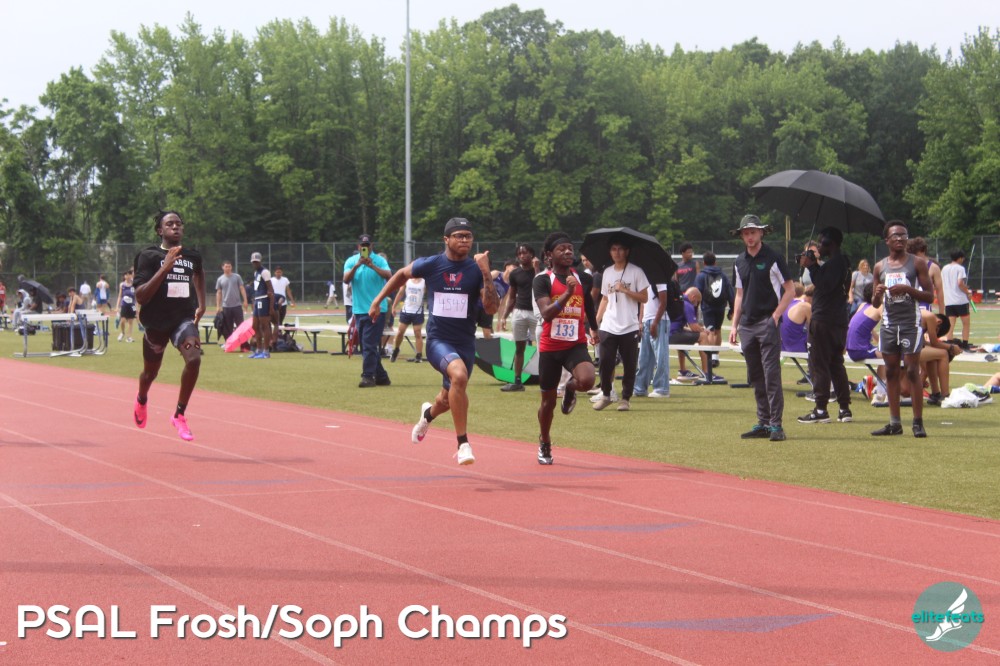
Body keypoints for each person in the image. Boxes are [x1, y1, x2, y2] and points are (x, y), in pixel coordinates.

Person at [372, 217, 499, 465]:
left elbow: (491, 308)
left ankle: (427, 415)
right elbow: (401, 274)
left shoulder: (476, 270)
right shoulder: (431, 264)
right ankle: (463, 444)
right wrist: (378, 300)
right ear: (446, 239)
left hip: (465, 343)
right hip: (438, 341)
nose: (464, 240)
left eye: (468, 236)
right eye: (459, 236)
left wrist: (486, 272)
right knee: (459, 376)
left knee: (446, 400)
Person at [131, 210, 206, 442]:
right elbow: (141, 296)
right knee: (149, 374)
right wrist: (165, 267)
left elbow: (199, 274)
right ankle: (142, 399)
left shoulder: (192, 256)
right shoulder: (148, 256)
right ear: (159, 230)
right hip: (155, 323)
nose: (175, 227)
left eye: (178, 224)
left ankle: (179, 415)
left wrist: (202, 303)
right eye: (170, 224)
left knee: (194, 359)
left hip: (182, 319)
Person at [728, 215, 795, 442]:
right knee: (755, 376)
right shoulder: (739, 261)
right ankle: (763, 422)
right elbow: (739, 295)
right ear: (741, 236)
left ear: (761, 233)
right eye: (746, 233)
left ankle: (776, 425)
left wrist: (776, 316)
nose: (749, 237)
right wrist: (734, 325)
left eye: (753, 232)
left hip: (767, 322)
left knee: (771, 375)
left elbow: (790, 290)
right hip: (746, 325)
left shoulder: (774, 257)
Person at [533, 232, 598, 464]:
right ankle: (545, 441)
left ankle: (570, 389)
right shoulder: (542, 280)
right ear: (550, 255)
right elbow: (546, 313)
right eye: (562, 249)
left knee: (587, 380)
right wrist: (568, 293)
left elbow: (588, 303)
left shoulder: (583, 278)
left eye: (570, 248)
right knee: (548, 403)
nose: (568, 251)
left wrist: (594, 328)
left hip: (575, 344)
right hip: (551, 347)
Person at [870, 220, 935, 438]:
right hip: (889, 324)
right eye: (895, 236)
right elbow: (875, 304)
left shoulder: (917, 263)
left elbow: (930, 296)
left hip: (910, 324)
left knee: (912, 370)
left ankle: (917, 422)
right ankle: (894, 423)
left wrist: (908, 289)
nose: (900, 239)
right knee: (890, 371)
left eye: (903, 235)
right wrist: (878, 294)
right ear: (887, 240)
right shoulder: (880, 267)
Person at [796, 227, 853, 425]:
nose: (819, 246)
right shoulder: (844, 263)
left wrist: (811, 266)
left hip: (823, 320)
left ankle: (821, 409)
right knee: (836, 364)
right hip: (838, 320)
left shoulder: (834, 264)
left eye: (821, 242)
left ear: (831, 243)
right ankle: (844, 408)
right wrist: (814, 265)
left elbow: (824, 284)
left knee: (819, 364)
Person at [592, 235, 649, 412]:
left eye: (620, 249)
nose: (617, 253)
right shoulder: (607, 272)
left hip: (629, 325)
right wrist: (595, 322)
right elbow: (604, 298)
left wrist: (625, 290)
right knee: (605, 361)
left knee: (629, 364)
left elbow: (644, 298)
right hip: (609, 325)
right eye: (613, 249)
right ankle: (606, 394)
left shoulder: (636, 271)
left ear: (627, 251)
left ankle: (625, 398)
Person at [344, 233, 393, 387]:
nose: (364, 247)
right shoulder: (351, 261)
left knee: (369, 344)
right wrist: (357, 265)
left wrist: (372, 266)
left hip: (377, 309)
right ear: (358, 246)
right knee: (366, 345)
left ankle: (368, 376)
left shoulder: (380, 260)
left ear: (372, 245)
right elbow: (346, 279)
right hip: (359, 310)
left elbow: (389, 276)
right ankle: (382, 377)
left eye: (367, 245)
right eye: (362, 245)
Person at [498, 244, 538, 392]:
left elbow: (540, 285)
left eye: (525, 253)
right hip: (519, 312)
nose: (522, 256)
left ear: (532, 254)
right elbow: (512, 296)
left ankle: (548, 381)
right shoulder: (515, 274)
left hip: (536, 313)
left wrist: (537, 268)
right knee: (519, 347)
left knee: (543, 348)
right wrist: (504, 316)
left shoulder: (539, 272)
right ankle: (517, 381)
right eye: (519, 254)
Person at [694, 251, 735, 370]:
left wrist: (694, 310)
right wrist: (731, 309)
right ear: (715, 262)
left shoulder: (701, 276)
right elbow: (730, 292)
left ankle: (710, 358)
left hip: (707, 307)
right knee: (718, 330)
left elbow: (696, 293)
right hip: (721, 307)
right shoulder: (723, 275)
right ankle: (716, 357)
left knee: (710, 331)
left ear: (704, 262)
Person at [669, 287, 719, 382]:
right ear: (693, 297)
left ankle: (683, 371)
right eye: (697, 301)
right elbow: (694, 327)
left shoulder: (679, 300)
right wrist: (703, 330)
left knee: (685, 335)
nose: (696, 304)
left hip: (669, 334)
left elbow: (680, 326)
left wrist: (698, 329)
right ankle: (706, 372)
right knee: (703, 336)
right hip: (673, 335)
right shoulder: (687, 304)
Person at [633, 280, 671, 399]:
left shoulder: (660, 279)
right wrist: (640, 321)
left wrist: (655, 323)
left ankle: (661, 388)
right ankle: (640, 388)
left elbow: (663, 302)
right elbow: (643, 302)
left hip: (660, 321)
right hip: (647, 321)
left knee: (661, 356)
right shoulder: (645, 280)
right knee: (644, 358)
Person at [941, 249, 974, 349]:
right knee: (966, 323)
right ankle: (965, 344)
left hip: (948, 300)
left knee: (950, 324)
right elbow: (960, 283)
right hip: (960, 300)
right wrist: (967, 292)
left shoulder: (944, 268)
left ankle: (949, 343)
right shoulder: (960, 268)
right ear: (959, 258)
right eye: (962, 258)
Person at [390, 276, 426, 363]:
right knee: (400, 332)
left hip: (417, 311)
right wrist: (394, 306)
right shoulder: (407, 280)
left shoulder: (424, 282)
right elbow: (400, 293)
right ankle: (396, 349)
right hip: (406, 310)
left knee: (417, 333)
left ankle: (419, 355)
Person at [906, 237, 945, 314]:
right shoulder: (908, 266)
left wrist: (941, 313)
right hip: (909, 305)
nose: (915, 257)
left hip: (924, 305)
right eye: (912, 255)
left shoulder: (934, 268)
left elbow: (939, 291)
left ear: (923, 251)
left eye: (916, 254)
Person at [249, 252, 275, 359]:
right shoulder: (256, 273)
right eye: (253, 262)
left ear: (260, 261)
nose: (255, 264)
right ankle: (258, 349)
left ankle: (266, 351)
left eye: (257, 262)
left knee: (265, 325)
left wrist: (271, 306)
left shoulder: (265, 272)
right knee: (255, 326)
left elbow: (271, 289)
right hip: (257, 299)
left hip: (264, 299)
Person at [215, 260, 248, 344]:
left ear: (231, 267)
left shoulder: (237, 277)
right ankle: (229, 344)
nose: (228, 268)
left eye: (229, 266)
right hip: (226, 306)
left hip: (237, 305)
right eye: (226, 266)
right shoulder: (220, 279)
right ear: (223, 267)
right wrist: (218, 306)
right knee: (227, 327)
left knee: (241, 326)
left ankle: (244, 345)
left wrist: (245, 300)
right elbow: (219, 292)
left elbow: (242, 288)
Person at [270, 266, 296, 342]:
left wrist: (292, 300)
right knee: (276, 320)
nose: (278, 273)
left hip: (283, 303)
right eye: (277, 272)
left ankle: (279, 335)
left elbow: (288, 290)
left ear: (282, 272)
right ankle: (277, 334)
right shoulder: (271, 280)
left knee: (281, 319)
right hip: (275, 303)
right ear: (274, 273)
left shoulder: (285, 280)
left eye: (280, 272)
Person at [116, 269, 138, 342]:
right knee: (122, 321)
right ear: (124, 276)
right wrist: (117, 306)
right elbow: (120, 296)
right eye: (126, 275)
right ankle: (122, 333)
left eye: (129, 274)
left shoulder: (134, 284)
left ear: (131, 275)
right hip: (124, 305)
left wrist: (137, 306)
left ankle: (129, 337)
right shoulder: (122, 285)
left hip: (132, 305)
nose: (127, 276)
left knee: (131, 322)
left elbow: (136, 296)